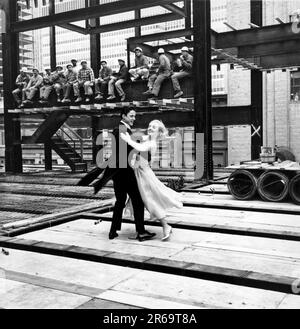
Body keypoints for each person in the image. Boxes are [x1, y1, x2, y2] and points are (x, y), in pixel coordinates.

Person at [77, 107, 156, 242]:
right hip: (125, 173)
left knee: (120, 201)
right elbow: (130, 150)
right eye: (131, 116)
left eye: (134, 116)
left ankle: (113, 231)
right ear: (124, 116)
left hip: (117, 173)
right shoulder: (122, 130)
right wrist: (146, 153)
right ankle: (141, 232)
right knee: (137, 201)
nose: (134, 118)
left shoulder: (119, 129)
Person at [120, 120, 183, 241]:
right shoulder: (146, 139)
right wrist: (128, 136)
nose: (150, 128)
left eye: (154, 127)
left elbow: (139, 147)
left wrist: (128, 139)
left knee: (150, 201)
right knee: (135, 202)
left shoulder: (152, 143)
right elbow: (136, 142)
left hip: (144, 175)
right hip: (138, 173)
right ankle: (140, 230)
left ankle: (166, 226)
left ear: (159, 132)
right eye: (149, 126)